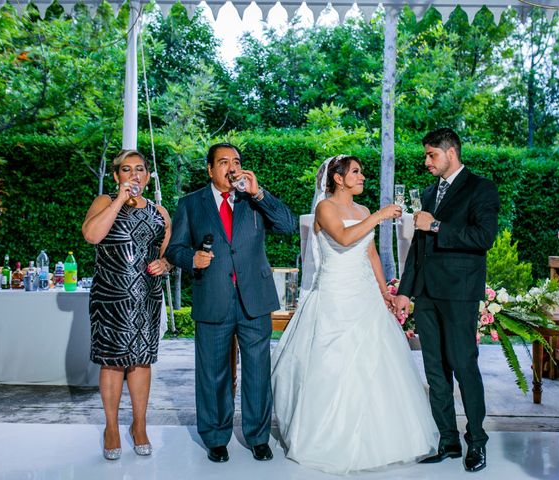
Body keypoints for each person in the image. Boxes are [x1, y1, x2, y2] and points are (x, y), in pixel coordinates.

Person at [271, 155, 439, 474]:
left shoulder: (361, 211)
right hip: (334, 295)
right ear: (338, 178)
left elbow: (369, 252)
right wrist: (379, 215)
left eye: (361, 172)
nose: (362, 177)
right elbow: (345, 238)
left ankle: (383, 441)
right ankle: (328, 438)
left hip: (365, 295)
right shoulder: (326, 208)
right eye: (356, 172)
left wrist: (384, 291)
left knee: (377, 365)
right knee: (332, 366)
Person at [165, 143, 295, 463]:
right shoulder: (191, 203)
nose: (231, 167)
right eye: (223, 162)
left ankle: (257, 436)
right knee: (213, 373)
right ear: (210, 169)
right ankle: (216, 437)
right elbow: (174, 250)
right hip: (213, 298)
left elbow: (288, 225)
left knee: (257, 372)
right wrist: (191, 258)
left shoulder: (253, 199)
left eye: (236, 161)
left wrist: (259, 192)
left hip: (254, 299)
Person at [394, 128, 500, 472]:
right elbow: (418, 250)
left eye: (431, 155)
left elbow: (484, 238)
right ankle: (448, 441)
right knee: (435, 373)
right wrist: (405, 291)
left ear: (450, 152)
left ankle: (477, 442)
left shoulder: (480, 188)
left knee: (464, 366)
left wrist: (436, 225)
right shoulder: (427, 193)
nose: (426, 161)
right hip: (426, 294)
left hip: (459, 294)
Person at [82, 149, 172, 460]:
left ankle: (140, 425)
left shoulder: (160, 213)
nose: (133, 175)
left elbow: (166, 254)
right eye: (126, 170)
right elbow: (92, 236)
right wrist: (120, 200)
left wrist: (166, 265)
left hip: (146, 297)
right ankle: (111, 428)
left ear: (147, 176)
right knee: (112, 361)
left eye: (139, 169)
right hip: (111, 297)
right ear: (117, 176)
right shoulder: (105, 202)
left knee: (142, 360)